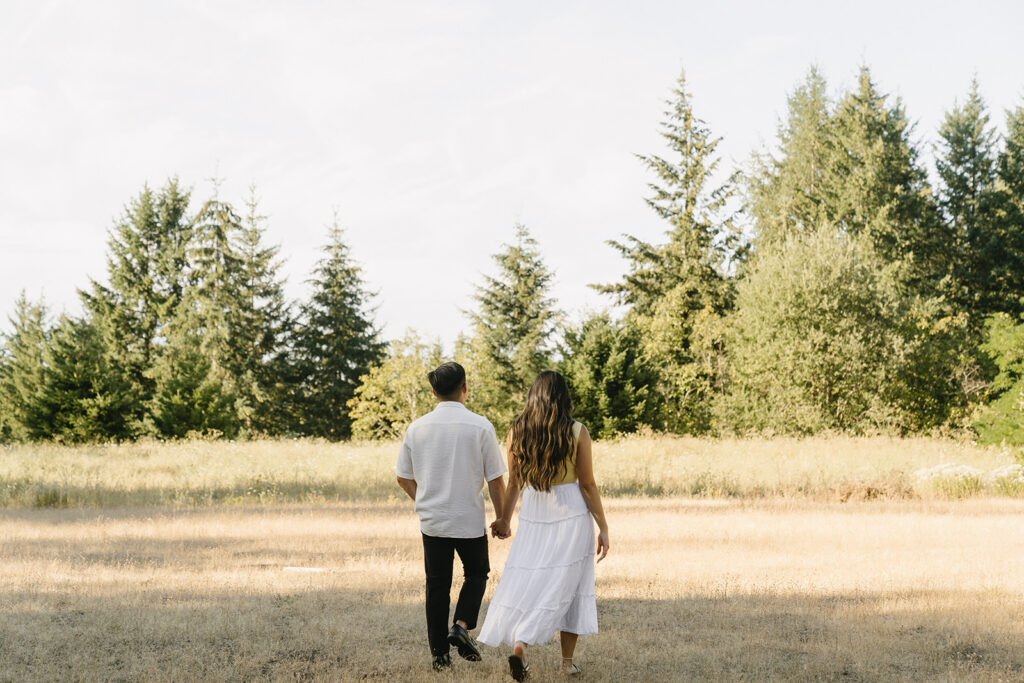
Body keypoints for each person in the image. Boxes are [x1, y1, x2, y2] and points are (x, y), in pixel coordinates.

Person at [478, 370, 610, 681]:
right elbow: (588, 485)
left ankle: (520, 644)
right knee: (571, 586)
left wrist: (505, 519)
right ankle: (565, 662)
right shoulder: (577, 431)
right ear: (564, 397)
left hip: (535, 512)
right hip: (571, 513)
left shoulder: (517, 431)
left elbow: (514, 483)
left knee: (533, 581)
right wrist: (603, 526)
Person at [395, 361, 509, 671]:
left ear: (433, 392)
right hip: (468, 520)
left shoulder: (416, 428)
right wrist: (502, 518)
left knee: (437, 586)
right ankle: (461, 626)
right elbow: (496, 479)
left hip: (432, 521)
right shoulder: (481, 426)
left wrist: (425, 500)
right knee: (476, 573)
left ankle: (439, 655)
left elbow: (403, 477)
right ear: (465, 388)